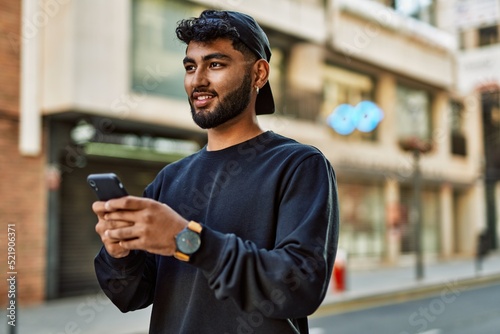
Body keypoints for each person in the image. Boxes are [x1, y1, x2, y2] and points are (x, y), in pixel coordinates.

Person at [93, 9, 339, 334]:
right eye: (190, 67)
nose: (198, 80)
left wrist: (187, 240)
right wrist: (120, 253)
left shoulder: (299, 165)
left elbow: (300, 286)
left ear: (259, 74)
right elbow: (131, 295)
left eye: (216, 64)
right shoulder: (170, 178)